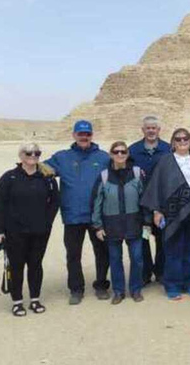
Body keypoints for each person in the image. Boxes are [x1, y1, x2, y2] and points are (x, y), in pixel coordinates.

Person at [141, 128, 190, 300]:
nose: (182, 142)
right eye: (178, 139)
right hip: (173, 214)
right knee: (173, 250)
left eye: (185, 138)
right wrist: (157, 211)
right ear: (173, 142)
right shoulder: (165, 162)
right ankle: (172, 284)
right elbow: (156, 187)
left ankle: (189, 282)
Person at [45, 120, 111, 304]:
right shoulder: (62, 157)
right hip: (73, 215)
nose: (84, 137)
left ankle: (101, 285)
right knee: (73, 254)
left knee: (102, 252)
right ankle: (76, 289)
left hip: (97, 216)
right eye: (81, 134)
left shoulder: (104, 157)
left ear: (92, 135)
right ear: (74, 135)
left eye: (87, 134)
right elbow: (40, 169)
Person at [0, 143, 59, 316]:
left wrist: (47, 222)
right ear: (21, 155)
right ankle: (17, 302)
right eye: (29, 153)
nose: (33, 156)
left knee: (36, 265)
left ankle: (35, 299)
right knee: (16, 266)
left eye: (37, 153)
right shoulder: (9, 178)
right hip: (14, 232)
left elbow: (54, 202)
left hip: (40, 231)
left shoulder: (47, 177)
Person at [93, 142, 148, 304]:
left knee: (137, 258)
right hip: (112, 225)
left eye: (123, 151)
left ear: (127, 153)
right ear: (110, 154)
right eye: (116, 152)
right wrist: (98, 226)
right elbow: (97, 202)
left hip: (134, 223)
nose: (119, 155)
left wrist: (147, 222)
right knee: (115, 259)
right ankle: (118, 291)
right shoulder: (104, 176)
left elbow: (145, 199)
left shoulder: (137, 173)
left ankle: (136, 289)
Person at [128, 116, 171, 285]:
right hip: (141, 204)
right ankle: (145, 272)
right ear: (143, 130)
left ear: (159, 130)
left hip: (162, 204)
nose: (151, 130)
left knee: (162, 239)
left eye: (154, 128)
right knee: (143, 240)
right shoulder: (133, 150)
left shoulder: (168, 149)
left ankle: (160, 271)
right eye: (148, 128)